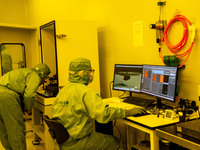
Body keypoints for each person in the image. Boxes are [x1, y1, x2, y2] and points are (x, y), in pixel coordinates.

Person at [51, 58, 147, 150]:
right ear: (82, 73)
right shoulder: (86, 92)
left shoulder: (63, 90)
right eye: (90, 70)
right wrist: (127, 112)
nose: (91, 73)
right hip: (77, 142)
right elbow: (103, 115)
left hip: (63, 142)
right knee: (115, 142)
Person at [0, 63, 50, 150]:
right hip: (7, 97)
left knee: (3, 128)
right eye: (44, 79)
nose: (42, 82)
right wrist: (28, 108)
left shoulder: (26, 71)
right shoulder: (34, 75)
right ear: (43, 75)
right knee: (15, 128)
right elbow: (29, 95)